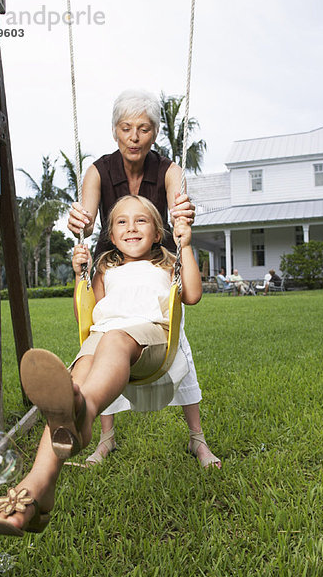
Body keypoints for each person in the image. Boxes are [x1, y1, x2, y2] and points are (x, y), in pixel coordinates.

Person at [0, 195, 203, 537]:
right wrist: (81, 272)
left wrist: (186, 244)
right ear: (110, 235)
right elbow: (89, 310)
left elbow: (193, 295)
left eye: (141, 221)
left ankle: (86, 410)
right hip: (104, 336)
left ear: (158, 233)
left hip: (150, 339)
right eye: (121, 222)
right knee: (77, 374)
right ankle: (37, 490)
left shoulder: (168, 265)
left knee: (110, 341)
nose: (131, 227)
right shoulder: (106, 267)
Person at [67, 89, 221, 469]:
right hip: (111, 264)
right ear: (115, 132)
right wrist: (79, 223)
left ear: (155, 133)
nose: (134, 137)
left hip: (158, 268)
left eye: (144, 129)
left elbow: (177, 206)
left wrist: (183, 216)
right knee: (102, 341)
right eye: (126, 128)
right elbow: (86, 215)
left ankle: (197, 440)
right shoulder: (98, 170)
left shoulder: (169, 170)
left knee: (177, 344)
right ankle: (105, 439)